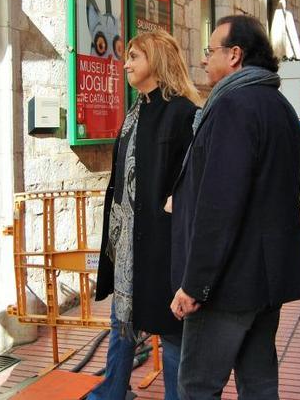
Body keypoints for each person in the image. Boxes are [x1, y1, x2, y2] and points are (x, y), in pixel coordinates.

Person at [169, 15, 300, 399]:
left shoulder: (233, 105)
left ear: (235, 55)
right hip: (266, 278)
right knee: (259, 382)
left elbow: (221, 204)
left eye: (209, 50)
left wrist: (195, 283)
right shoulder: (279, 105)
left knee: (198, 385)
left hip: (228, 282)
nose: (202, 59)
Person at [91, 31, 202, 400]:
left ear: (154, 59)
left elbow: (195, 177)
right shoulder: (135, 113)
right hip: (128, 244)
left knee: (172, 330)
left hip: (164, 243)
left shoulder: (184, 112)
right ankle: (112, 392)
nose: (126, 64)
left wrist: (176, 202)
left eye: (134, 56)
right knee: (121, 321)